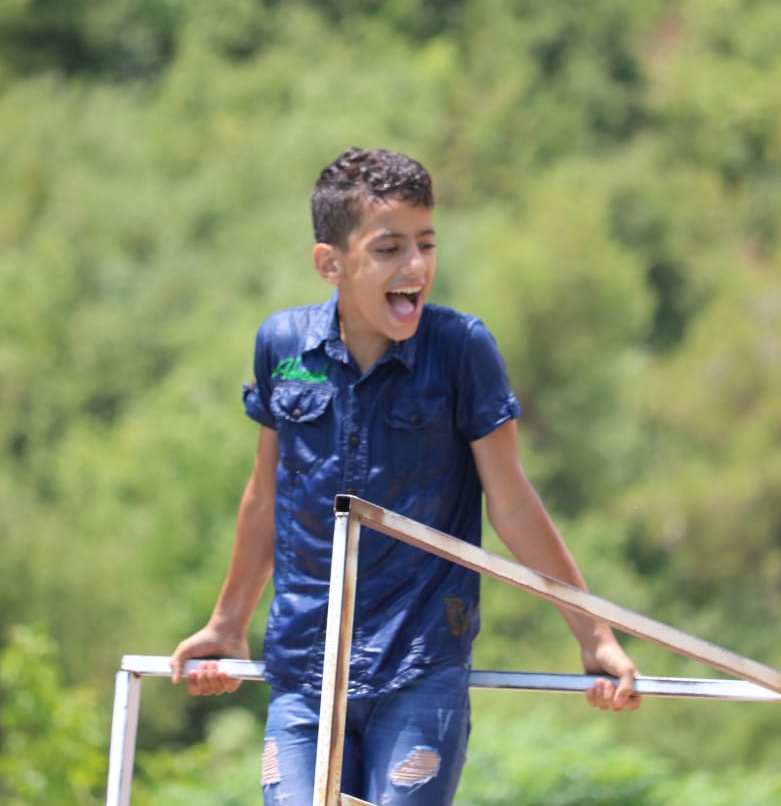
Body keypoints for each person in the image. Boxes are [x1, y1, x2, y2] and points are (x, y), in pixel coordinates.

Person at [169, 147, 641, 804]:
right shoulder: (282, 347)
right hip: (306, 664)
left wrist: (594, 633)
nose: (415, 267)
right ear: (330, 264)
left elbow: (512, 503)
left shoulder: (461, 349)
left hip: (420, 666)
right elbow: (265, 497)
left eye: (426, 243)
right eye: (390, 249)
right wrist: (227, 622)